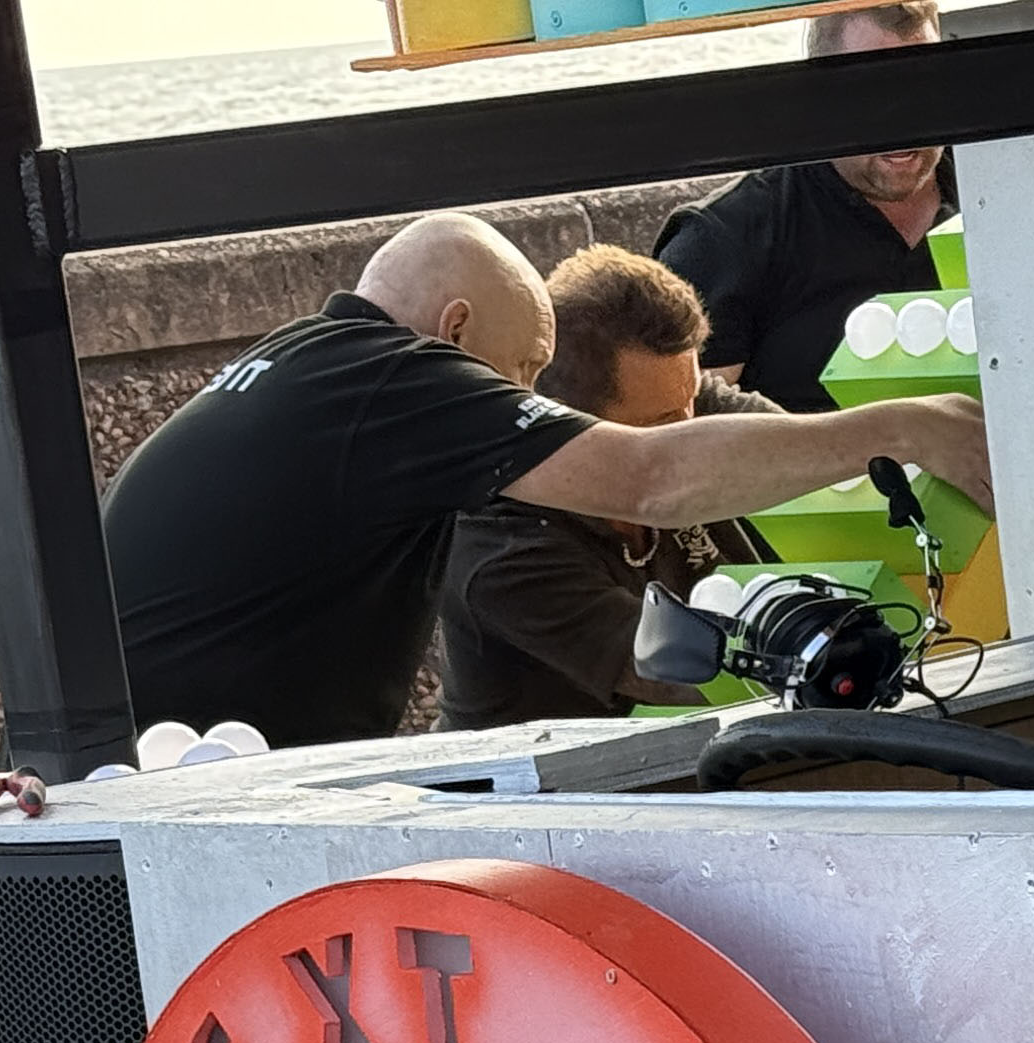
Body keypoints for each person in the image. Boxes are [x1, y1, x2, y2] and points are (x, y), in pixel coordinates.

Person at [100, 209, 988, 748]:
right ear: (454, 331)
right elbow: (647, 479)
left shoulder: (313, 369)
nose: (527, 396)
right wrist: (901, 427)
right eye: (523, 368)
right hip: (183, 769)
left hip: (154, 748)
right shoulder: (397, 379)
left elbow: (723, 439)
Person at [440, 249, 780, 731]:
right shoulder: (498, 543)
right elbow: (680, 673)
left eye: (691, 404)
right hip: (550, 772)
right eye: (659, 428)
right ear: (569, 421)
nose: (690, 436)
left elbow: (811, 455)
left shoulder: (671, 397)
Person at [654, 4, 954, 412]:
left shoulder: (1009, 195)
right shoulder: (726, 239)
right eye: (870, 92)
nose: (901, 116)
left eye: (921, 85)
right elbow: (673, 426)